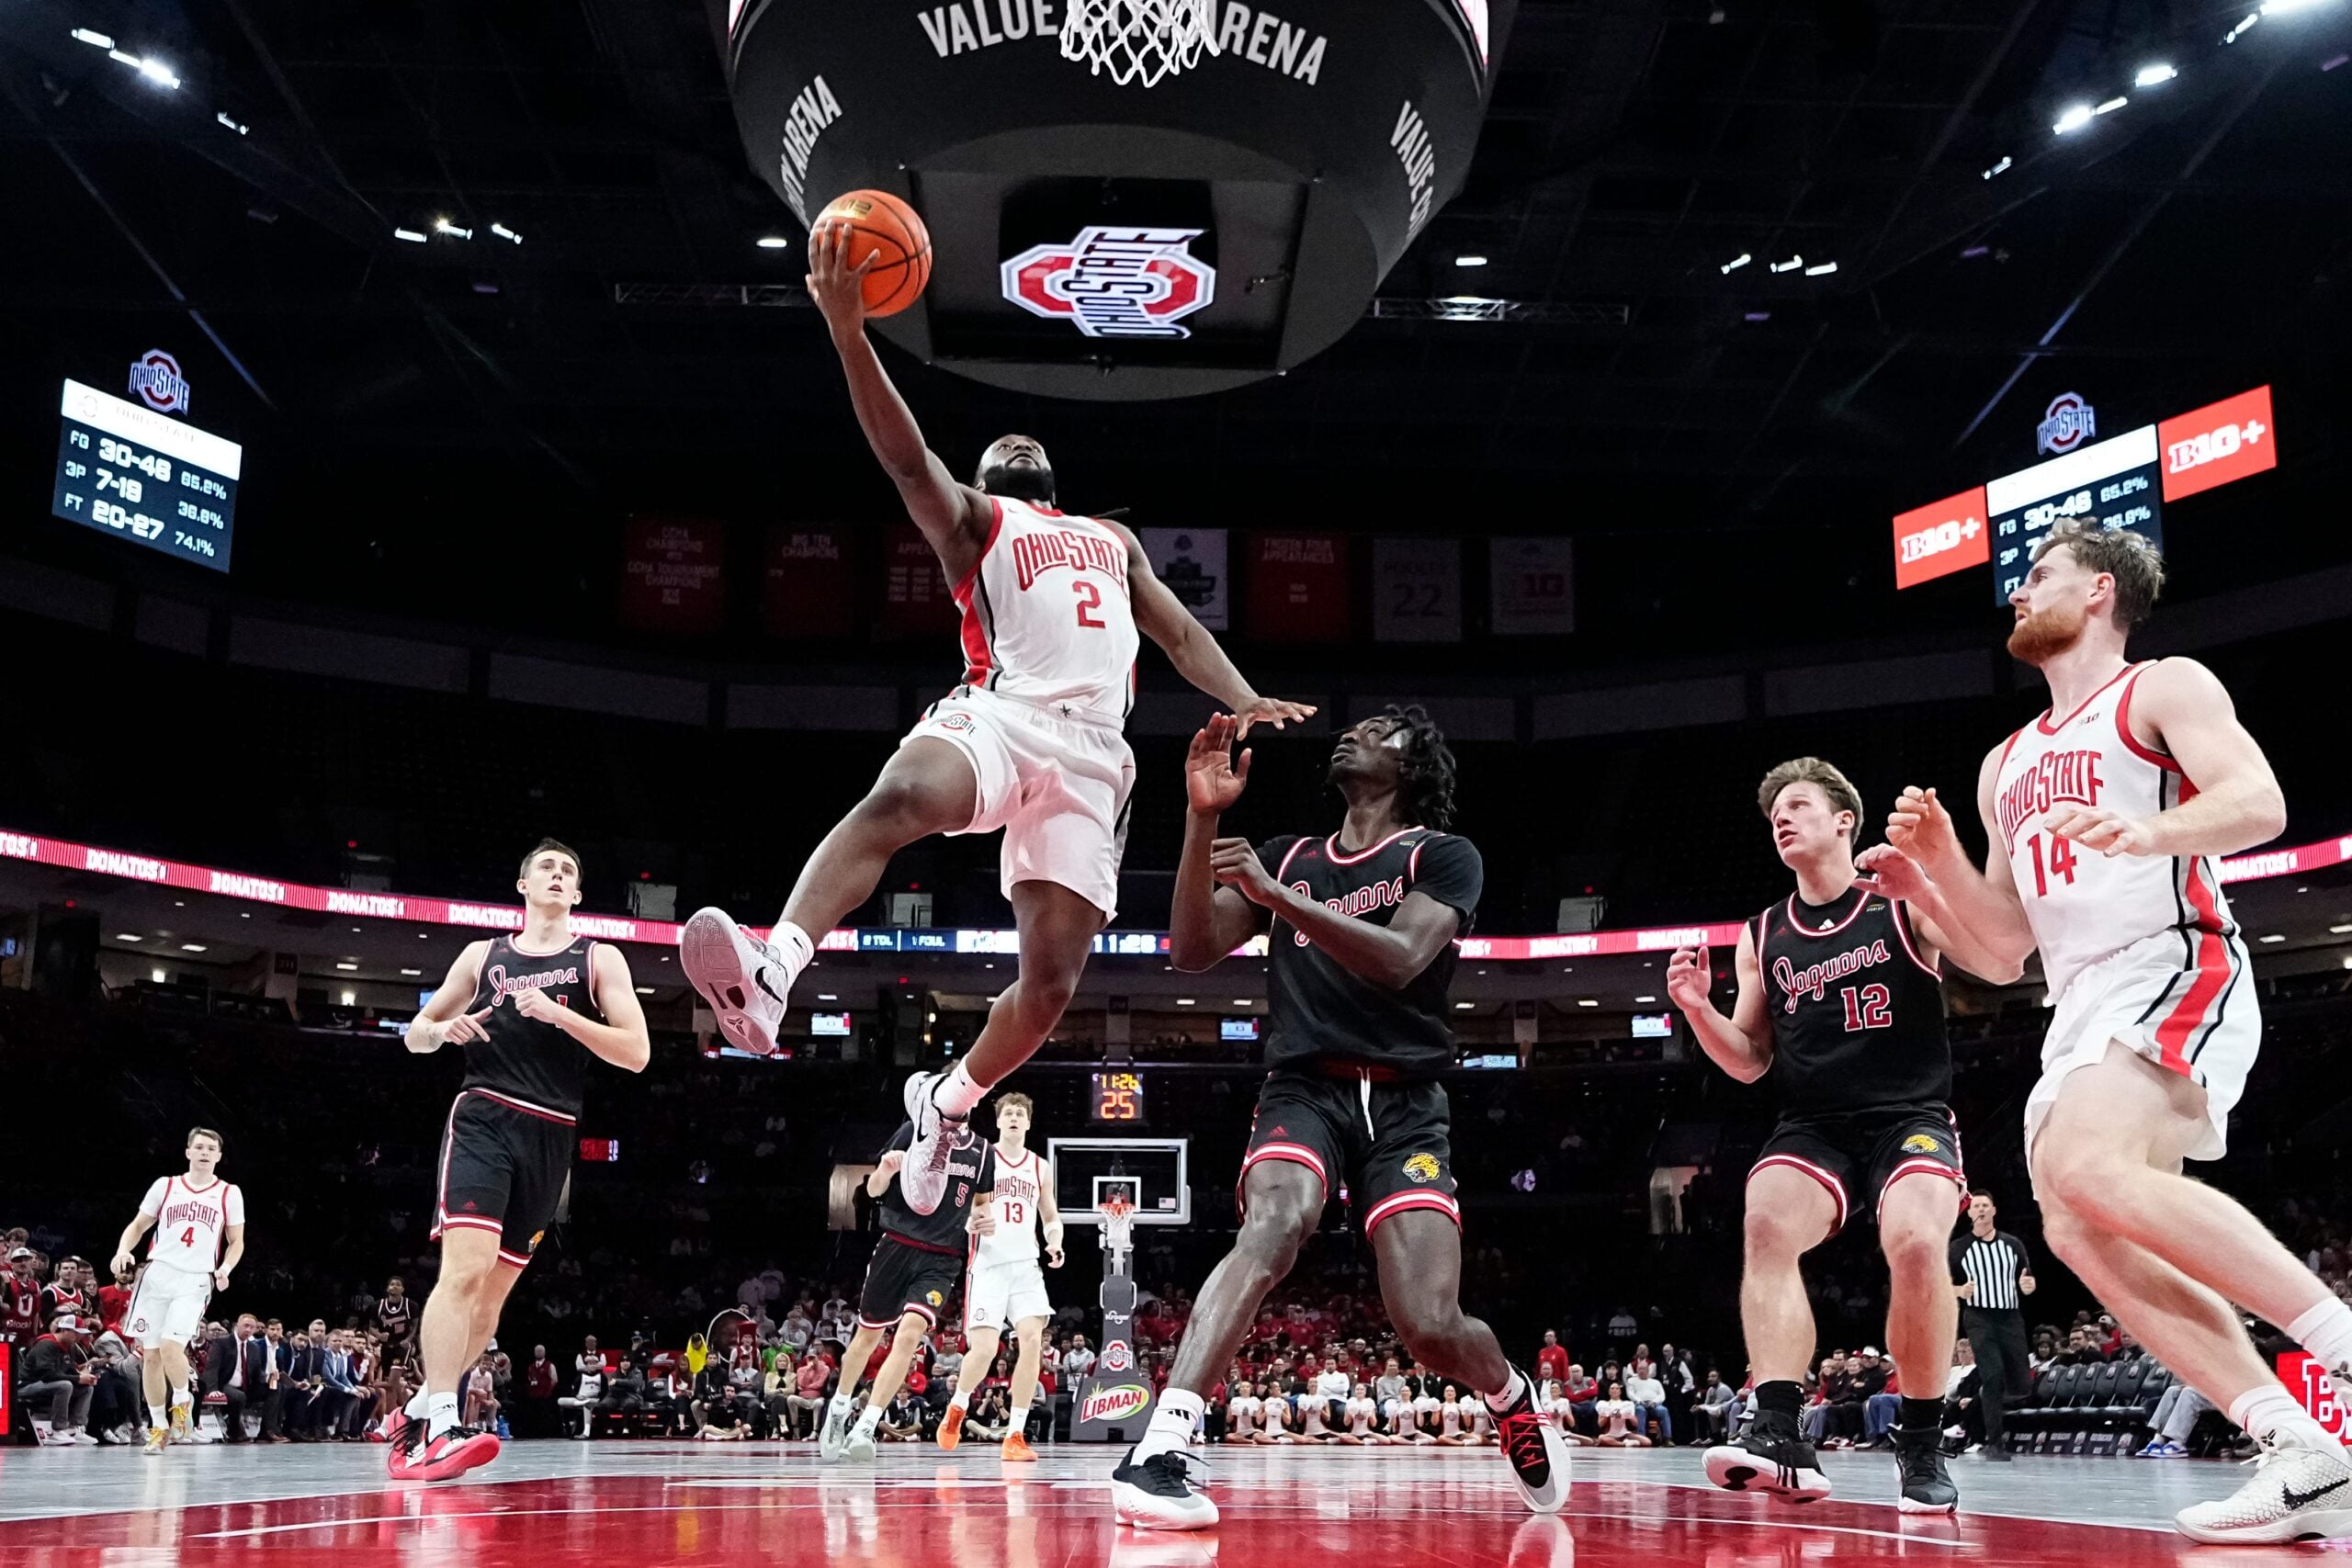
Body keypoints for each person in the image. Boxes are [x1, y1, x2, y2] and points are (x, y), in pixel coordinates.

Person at [678, 219, 1312, 1218]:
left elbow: (1182, 634)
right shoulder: (977, 522)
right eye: (996, 446)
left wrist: (1243, 697)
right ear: (986, 479)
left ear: (1055, 481)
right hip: (1005, 712)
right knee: (901, 796)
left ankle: (946, 1100)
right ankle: (774, 966)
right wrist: (850, 334)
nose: (1016, 439)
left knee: (1054, 985)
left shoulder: (1110, 538)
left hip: (1097, 758)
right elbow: (903, 459)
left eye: (1027, 443)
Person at [1870, 522, 2352, 1543]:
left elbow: (2258, 802)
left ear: (2097, 591)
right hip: (2082, 997)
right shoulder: (2005, 765)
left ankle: (2337, 1338)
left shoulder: (2159, 686)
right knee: (2077, 1222)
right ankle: (2295, 1446)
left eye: (2034, 575)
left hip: (2174, 954)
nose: (2015, 592)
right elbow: (2004, 952)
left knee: (2083, 1166)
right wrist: (1934, 875)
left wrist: (2152, 832)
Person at [1110, 710, 1570, 1529]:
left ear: (1413, 763)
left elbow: (1398, 959)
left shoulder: (1440, 855)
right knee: (1274, 1224)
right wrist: (1202, 813)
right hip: (1305, 1087)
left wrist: (1278, 899)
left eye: (1381, 729)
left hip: (1406, 1105)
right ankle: (1168, 1439)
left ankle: (1510, 1394)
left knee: (1428, 1324)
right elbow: (1188, 947)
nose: (1354, 734)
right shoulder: (1292, 853)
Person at [1670, 756, 1963, 1513]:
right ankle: (1779, 1432)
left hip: (1910, 1116)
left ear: (1844, 820)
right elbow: (1750, 1061)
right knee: (1764, 1216)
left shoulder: (1899, 902)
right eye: (1775, 812)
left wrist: (1935, 880)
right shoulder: (1763, 931)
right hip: (1816, 1124)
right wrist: (1701, 1010)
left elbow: (1987, 954)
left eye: (1798, 804)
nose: (1782, 817)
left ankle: (1923, 1437)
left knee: (1918, 1243)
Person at [394, 840, 651, 1481]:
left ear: (579, 894)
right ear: (522, 883)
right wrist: (440, 1030)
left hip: (552, 1131)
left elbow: (637, 1051)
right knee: (466, 1268)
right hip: (484, 1114)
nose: (559, 875)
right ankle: (444, 1425)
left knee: (494, 1294)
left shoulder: (598, 958)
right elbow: (414, 1035)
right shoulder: (483, 955)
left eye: (570, 870)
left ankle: (422, 1404)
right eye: (548, 867)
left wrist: (565, 1019)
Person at [820, 1122, 996, 1462]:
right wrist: (885, 1170)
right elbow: (872, 1190)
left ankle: (866, 1426)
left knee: (909, 1337)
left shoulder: (982, 1150)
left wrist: (982, 1219)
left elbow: (981, 1204)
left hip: (942, 1258)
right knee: (865, 1340)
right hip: (897, 1246)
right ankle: (839, 1409)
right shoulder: (913, 1131)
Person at [939, 1092, 1062, 1460]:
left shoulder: (1040, 1166)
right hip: (988, 1266)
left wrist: (1054, 1242)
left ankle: (1016, 1435)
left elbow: (1050, 1216)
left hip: (1026, 1266)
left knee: (1032, 1342)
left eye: (1019, 1113)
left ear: (1027, 1123)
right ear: (997, 1121)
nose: (1013, 1117)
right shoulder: (980, 1157)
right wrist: (973, 1221)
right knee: (986, 1349)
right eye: (1007, 1112)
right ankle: (958, 1407)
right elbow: (953, 1209)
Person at [110, 1126, 245, 1456]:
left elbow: (236, 1241)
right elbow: (138, 1225)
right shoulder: (166, 1185)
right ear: (187, 1152)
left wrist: (225, 1269)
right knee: (151, 1355)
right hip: (157, 1274)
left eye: (210, 1148)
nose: (203, 1152)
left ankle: (182, 1401)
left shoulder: (229, 1192)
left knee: (173, 1347)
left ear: (218, 1156)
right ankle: (158, 1427)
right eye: (198, 1146)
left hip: (195, 1278)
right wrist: (122, 1250)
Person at [1950, 1190, 2034, 1459]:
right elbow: (1942, 1284)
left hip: (2010, 1317)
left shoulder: (2012, 1244)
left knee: (2021, 1382)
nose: (1982, 1210)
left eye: (1986, 1205)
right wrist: (1960, 1291)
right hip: (1979, 1318)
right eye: (1977, 1206)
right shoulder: (1958, 1248)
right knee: (1993, 1376)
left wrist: (2028, 1287)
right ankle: (1994, 1443)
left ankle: (1973, 1412)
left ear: (1994, 1210)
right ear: (1970, 1212)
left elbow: (2028, 1280)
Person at [20, 1314, 99, 1444]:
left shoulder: (70, 1347)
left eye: (81, 1334)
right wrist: (78, 1378)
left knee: (87, 1388)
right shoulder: (46, 1345)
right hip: (28, 1386)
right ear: (64, 1330)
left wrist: (84, 1375)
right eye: (75, 1333)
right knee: (65, 1385)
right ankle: (57, 1431)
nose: (79, 1337)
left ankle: (74, 1429)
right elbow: (47, 1376)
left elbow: (69, 1370)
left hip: (47, 1384)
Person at [200, 1314, 266, 1442]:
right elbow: (212, 1368)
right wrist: (212, 1389)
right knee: (238, 1396)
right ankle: (234, 1429)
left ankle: (268, 1430)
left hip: (246, 1385)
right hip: (223, 1385)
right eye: (246, 1326)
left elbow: (258, 1372)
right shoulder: (222, 1343)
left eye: (252, 1327)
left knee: (277, 1390)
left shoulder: (254, 1347)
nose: (248, 1330)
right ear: (237, 1326)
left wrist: (269, 1379)